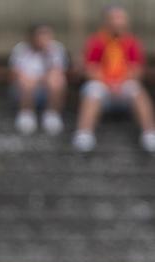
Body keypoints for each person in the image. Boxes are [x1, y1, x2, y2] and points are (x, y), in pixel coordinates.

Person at [72, 5, 155, 153]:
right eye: (116, 18)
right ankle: (84, 133)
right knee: (93, 90)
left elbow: (137, 69)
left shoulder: (132, 42)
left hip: (123, 86)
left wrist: (120, 81)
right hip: (103, 86)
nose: (119, 22)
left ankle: (149, 133)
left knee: (137, 91)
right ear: (106, 21)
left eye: (121, 18)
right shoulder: (96, 41)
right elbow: (89, 68)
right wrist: (107, 81)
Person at [9, 23, 68, 136]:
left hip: (46, 86)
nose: (44, 39)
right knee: (26, 82)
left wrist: (40, 78)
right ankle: (26, 113)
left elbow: (58, 71)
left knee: (56, 81)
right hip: (24, 88)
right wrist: (33, 80)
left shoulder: (56, 49)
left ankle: (52, 114)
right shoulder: (20, 49)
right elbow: (15, 74)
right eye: (41, 35)